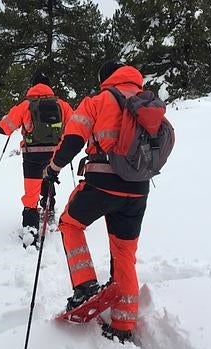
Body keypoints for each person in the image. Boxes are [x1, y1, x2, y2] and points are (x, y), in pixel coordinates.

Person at [43, 60, 160, 343]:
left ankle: (85, 286)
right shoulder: (147, 102)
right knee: (124, 254)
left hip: (103, 184)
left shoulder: (98, 101)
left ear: (105, 79)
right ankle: (122, 326)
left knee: (69, 224)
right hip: (139, 189)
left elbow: (71, 140)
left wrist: (52, 169)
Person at [0, 70, 74, 246]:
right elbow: (75, 124)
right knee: (49, 179)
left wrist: (4, 123)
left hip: (32, 154)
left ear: (32, 85)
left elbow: (4, 128)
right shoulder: (61, 104)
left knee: (31, 189)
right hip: (54, 153)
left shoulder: (25, 104)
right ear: (48, 85)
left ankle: (31, 230)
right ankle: (49, 210)